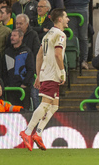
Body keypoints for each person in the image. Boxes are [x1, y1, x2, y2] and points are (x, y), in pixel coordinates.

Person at [20, 9, 69, 151]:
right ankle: (27, 132)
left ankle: (38, 133)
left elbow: (39, 55)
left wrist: (39, 75)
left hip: (46, 73)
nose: (68, 19)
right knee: (45, 105)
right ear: (59, 19)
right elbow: (58, 55)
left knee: (54, 106)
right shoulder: (60, 35)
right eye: (66, 17)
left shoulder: (47, 35)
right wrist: (62, 72)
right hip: (53, 73)